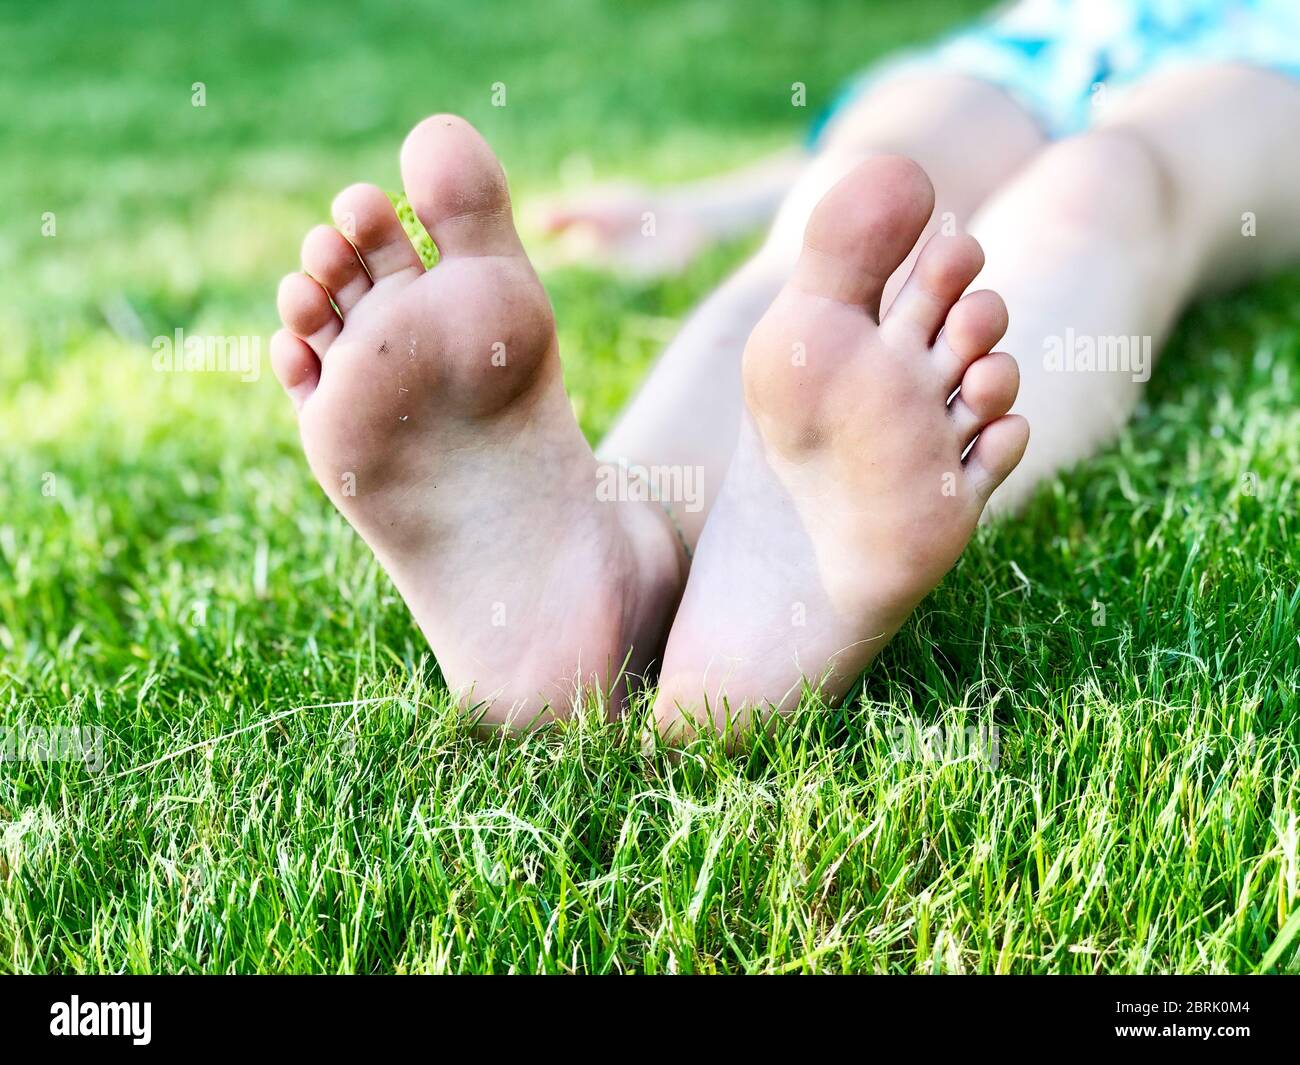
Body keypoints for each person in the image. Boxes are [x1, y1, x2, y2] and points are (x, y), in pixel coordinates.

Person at [270, 0, 1300, 740]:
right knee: (849, 197)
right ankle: (620, 555)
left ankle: (760, 548)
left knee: (1104, 182)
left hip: (1268, 54)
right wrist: (702, 209)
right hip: (1034, 39)